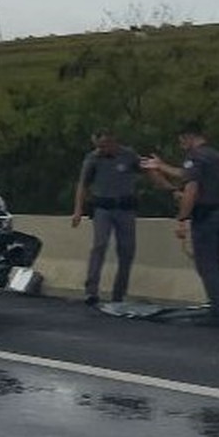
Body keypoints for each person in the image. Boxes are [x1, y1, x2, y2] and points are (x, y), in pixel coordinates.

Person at [141, 121, 219, 326]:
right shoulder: (217, 156)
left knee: (207, 264)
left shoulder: (195, 156)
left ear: (188, 137)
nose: (181, 145)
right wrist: (161, 166)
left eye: (181, 141)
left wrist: (182, 218)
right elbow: (186, 174)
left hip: (207, 216)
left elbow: (191, 188)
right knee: (218, 262)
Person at [71, 128, 145, 305]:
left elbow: (147, 170)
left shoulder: (129, 155)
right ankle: (91, 290)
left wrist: (169, 187)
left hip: (125, 207)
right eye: (98, 146)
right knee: (100, 245)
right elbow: (83, 184)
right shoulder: (93, 159)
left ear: (113, 142)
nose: (101, 149)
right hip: (103, 207)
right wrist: (78, 210)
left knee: (127, 250)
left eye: (104, 146)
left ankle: (119, 293)